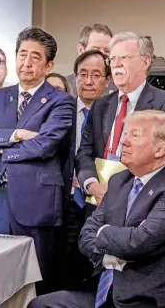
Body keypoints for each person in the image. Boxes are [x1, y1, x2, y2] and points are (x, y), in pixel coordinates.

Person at [28, 110, 165, 308]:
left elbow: (139, 242)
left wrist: (103, 232)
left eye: (135, 135)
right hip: (106, 286)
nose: (124, 142)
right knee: (41, 304)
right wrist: (110, 255)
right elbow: (86, 235)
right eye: (125, 134)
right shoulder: (119, 180)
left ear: (160, 149)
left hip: (148, 297)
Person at [0, 27, 75, 295]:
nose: (26, 63)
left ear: (49, 64)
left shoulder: (61, 101)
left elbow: (45, 145)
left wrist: (2, 147)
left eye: (35, 57)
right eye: (22, 54)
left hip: (35, 199)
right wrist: (17, 134)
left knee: (33, 282)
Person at [75, 32, 165, 212]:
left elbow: (163, 157)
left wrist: (120, 188)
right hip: (97, 202)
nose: (116, 64)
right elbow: (84, 153)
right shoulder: (100, 105)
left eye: (123, 57)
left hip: (140, 204)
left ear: (145, 62)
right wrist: (91, 184)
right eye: (112, 58)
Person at [65, 49, 111, 287]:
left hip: (96, 201)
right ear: (74, 77)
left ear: (106, 80)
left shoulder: (113, 114)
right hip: (62, 200)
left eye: (96, 75)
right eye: (83, 74)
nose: (89, 81)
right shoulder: (60, 108)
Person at [66, 23, 116, 96]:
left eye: (107, 51)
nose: (102, 55)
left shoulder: (119, 86)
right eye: (96, 49)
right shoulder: (65, 85)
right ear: (81, 50)